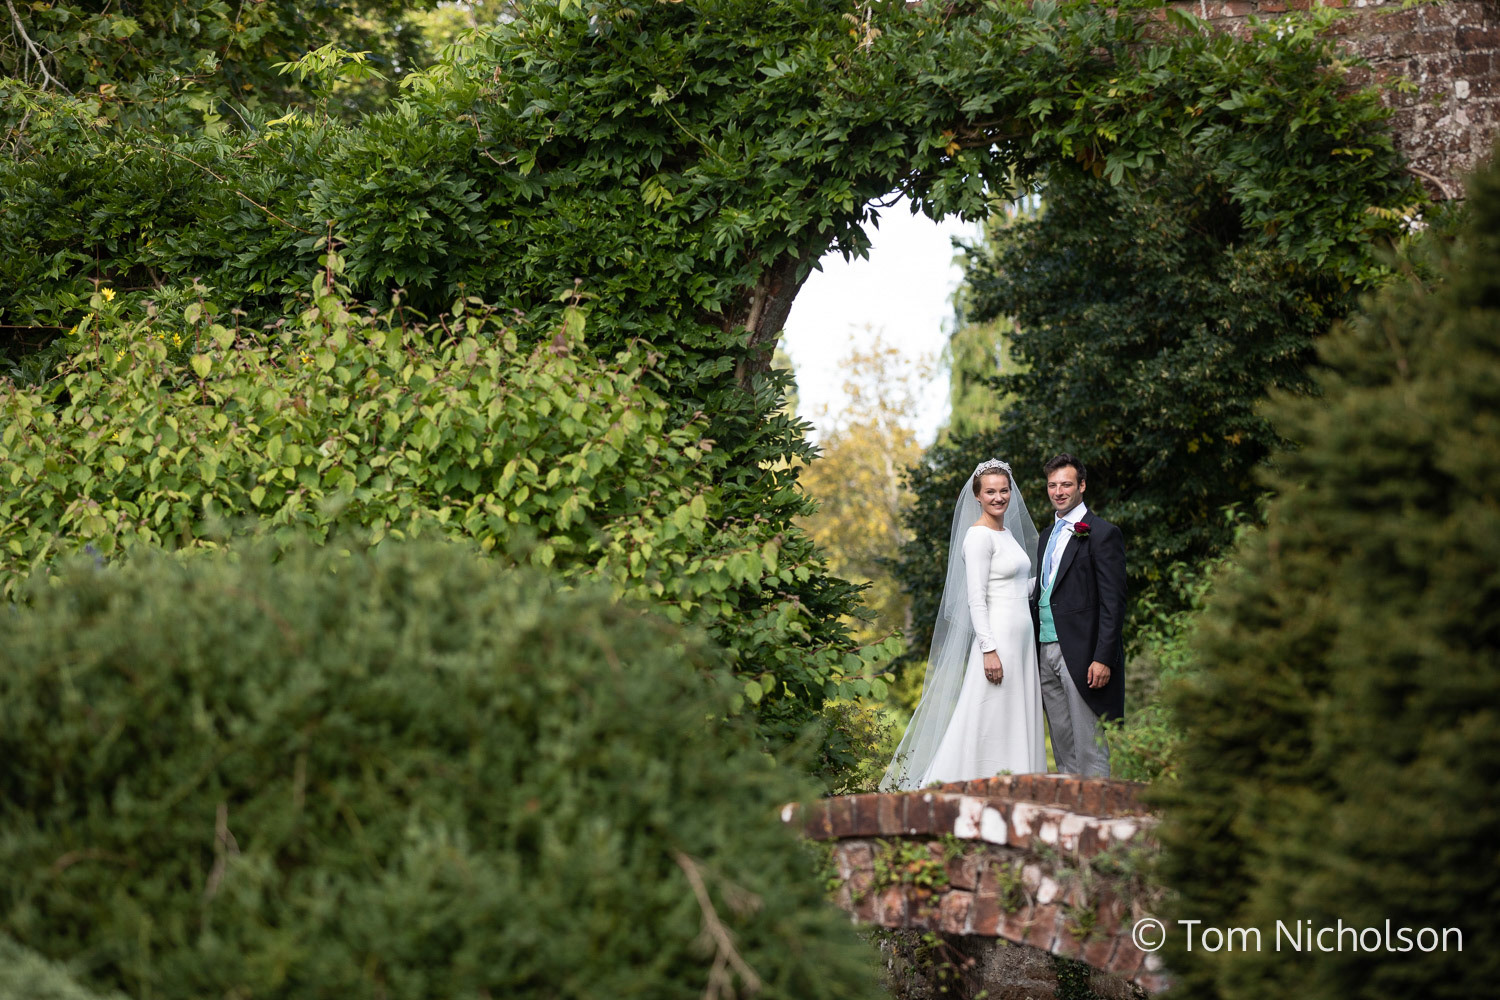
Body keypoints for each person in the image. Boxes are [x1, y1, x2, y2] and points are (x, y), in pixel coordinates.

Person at [881, 459, 1045, 790]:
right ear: (977, 496)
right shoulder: (978, 537)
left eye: (1004, 490)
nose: (999, 497)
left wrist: (1051, 580)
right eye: (990, 492)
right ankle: (959, 784)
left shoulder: (1007, 533)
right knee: (984, 715)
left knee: (1013, 716)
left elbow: (1017, 587)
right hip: (997, 640)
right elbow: (976, 599)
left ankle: (1016, 784)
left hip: (1023, 641)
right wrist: (989, 649)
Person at [1029, 453, 1126, 777]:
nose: (1058, 491)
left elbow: (1114, 603)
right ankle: (1072, 819)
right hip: (1045, 650)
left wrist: (1104, 657)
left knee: (1090, 748)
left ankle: (1101, 823)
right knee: (1063, 746)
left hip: (1084, 656)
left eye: (1066, 484)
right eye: (1052, 485)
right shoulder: (1046, 536)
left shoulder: (1102, 534)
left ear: (1082, 486)